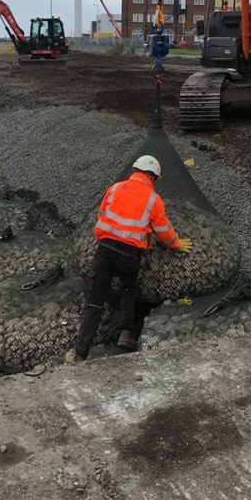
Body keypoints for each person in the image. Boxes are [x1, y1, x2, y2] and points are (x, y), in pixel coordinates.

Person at [65, 155, 193, 364]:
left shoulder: (115, 189)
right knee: (128, 289)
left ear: (135, 171)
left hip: (105, 250)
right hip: (130, 255)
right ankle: (126, 334)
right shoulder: (154, 200)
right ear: (152, 177)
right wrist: (176, 244)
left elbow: (102, 214)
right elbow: (163, 230)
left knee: (95, 302)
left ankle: (80, 354)